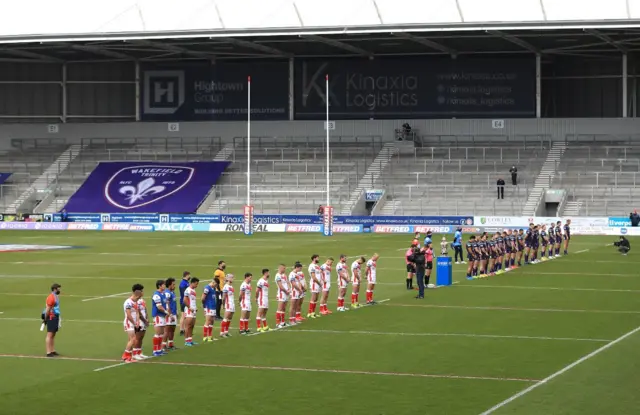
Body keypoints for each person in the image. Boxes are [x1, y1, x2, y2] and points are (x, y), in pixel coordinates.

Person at [122, 284, 143, 362]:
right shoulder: (128, 302)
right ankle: (125, 356)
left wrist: (137, 322)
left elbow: (137, 312)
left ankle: (129, 357)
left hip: (134, 323)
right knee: (133, 339)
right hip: (129, 322)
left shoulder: (136, 302)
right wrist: (134, 323)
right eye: (141, 291)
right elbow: (128, 315)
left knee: (131, 340)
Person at [151, 280, 171, 356]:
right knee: (158, 333)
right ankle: (155, 350)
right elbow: (159, 307)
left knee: (161, 334)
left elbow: (165, 304)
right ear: (159, 286)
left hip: (162, 316)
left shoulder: (163, 294)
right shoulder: (156, 295)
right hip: (158, 316)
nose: (164, 286)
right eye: (163, 285)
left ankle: (159, 350)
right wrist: (166, 312)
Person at [43, 283, 62, 357]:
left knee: (53, 334)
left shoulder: (55, 296)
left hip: (55, 316)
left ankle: (52, 350)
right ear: (55, 289)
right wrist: (45, 318)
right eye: (58, 288)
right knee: (49, 334)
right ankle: (48, 352)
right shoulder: (51, 297)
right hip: (51, 317)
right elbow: (48, 309)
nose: (60, 290)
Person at [183, 277, 199, 346]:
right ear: (192, 283)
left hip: (194, 310)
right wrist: (189, 307)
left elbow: (193, 300)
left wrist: (195, 307)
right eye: (196, 284)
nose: (197, 285)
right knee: (188, 326)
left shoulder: (193, 290)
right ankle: (186, 341)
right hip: (189, 310)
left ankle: (190, 340)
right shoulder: (188, 290)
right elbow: (185, 300)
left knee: (192, 326)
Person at [164, 278, 177, 350]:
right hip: (169, 314)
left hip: (173, 313)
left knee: (172, 329)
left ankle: (171, 344)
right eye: (173, 284)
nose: (174, 286)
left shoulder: (172, 292)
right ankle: (163, 346)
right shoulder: (167, 293)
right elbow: (167, 304)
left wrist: (176, 312)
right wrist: (170, 314)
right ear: (169, 285)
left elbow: (173, 303)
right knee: (167, 330)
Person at [136, 292, 149, 359]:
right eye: (141, 291)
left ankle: (139, 352)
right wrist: (144, 320)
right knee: (137, 338)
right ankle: (135, 353)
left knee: (141, 338)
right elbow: (138, 312)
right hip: (139, 321)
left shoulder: (142, 300)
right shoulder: (136, 301)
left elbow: (145, 309)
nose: (143, 292)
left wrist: (147, 318)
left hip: (144, 321)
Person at [178, 271, 191, 336]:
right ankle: (181, 330)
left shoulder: (185, 282)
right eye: (189, 275)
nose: (190, 277)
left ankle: (184, 329)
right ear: (186, 275)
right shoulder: (183, 283)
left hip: (186, 301)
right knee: (183, 315)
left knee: (185, 316)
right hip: (184, 301)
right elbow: (184, 293)